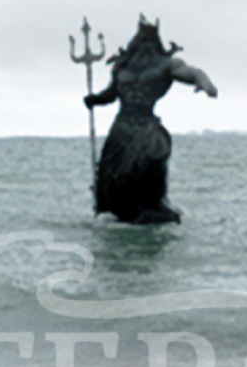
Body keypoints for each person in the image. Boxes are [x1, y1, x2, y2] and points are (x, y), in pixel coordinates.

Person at [85, 14, 218, 224]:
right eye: (141, 39)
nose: (145, 45)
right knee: (111, 169)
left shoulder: (166, 65)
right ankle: (111, 204)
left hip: (146, 123)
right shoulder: (122, 67)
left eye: (149, 40)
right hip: (122, 125)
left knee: (153, 155)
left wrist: (205, 83)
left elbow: (192, 72)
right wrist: (95, 99)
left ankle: (155, 201)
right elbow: (111, 94)